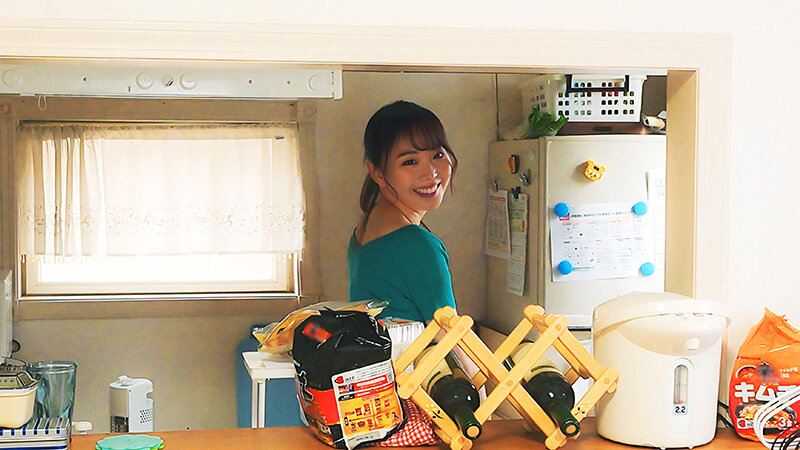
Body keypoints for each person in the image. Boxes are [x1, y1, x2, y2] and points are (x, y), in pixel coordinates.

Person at [347, 100, 458, 323]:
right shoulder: (418, 244)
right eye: (410, 161)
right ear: (377, 173)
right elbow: (448, 333)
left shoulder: (365, 228)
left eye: (437, 156)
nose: (430, 173)